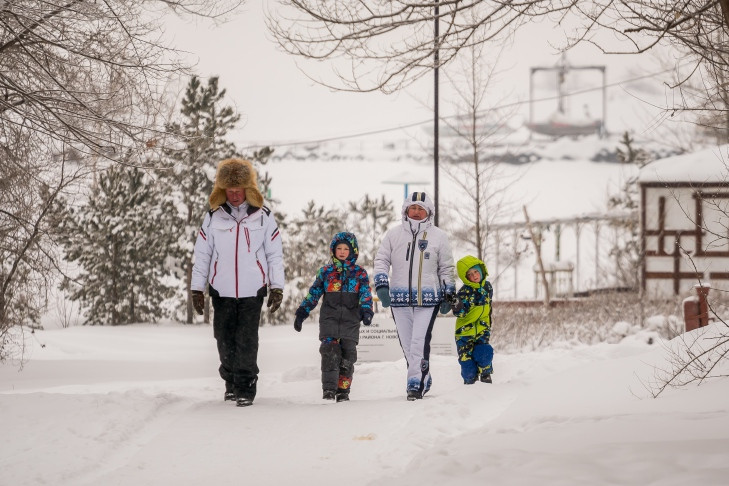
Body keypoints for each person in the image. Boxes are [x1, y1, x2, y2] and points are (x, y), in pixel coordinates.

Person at [190, 158, 285, 407]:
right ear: (222, 190)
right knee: (223, 338)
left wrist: (277, 287)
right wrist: (196, 288)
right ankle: (230, 382)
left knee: (246, 339)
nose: (234, 195)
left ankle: (245, 385)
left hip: (252, 290)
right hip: (221, 289)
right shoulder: (213, 217)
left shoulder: (263, 217)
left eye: (238, 190)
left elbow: (275, 254)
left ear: (248, 189)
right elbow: (202, 255)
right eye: (229, 190)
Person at [373, 192, 455, 401]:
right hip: (399, 299)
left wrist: (448, 293)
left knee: (418, 342)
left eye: (421, 209)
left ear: (429, 212)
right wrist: (382, 284)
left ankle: (414, 384)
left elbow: (446, 268)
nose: (417, 212)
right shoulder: (393, 235)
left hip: (428, 300)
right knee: (408, 345)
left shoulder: (439, 236)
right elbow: (381, 260)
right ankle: (423, 376)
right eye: (413, 208)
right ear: (406, 210)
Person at [293, 231, 374, 402]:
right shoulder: (326, 272)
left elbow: (366, 294)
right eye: (339, 248)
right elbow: (314, 293)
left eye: (346, 248)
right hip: (329, 319)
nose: (343, 251)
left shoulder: (359, 274)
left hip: (350, 321)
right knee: (329, 352)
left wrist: (366, 311)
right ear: (333, 250)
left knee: (348, 356)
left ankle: (343, 391)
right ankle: (329, 390)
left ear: (353, 251)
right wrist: (302, 312)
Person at [448, 255, 494, 384]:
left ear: (481, 270)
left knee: (484, 352)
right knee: (467, 364)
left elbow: (489, 307)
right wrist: (456, 304)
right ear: (465, 277)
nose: (474, 276)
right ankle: (470, 382)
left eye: (475, 271)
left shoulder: (488, 287)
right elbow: (461, 313)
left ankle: (486, 374)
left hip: (482, 328)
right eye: (469, 274)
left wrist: (488, 322)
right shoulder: (464, 292)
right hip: (464, 332)